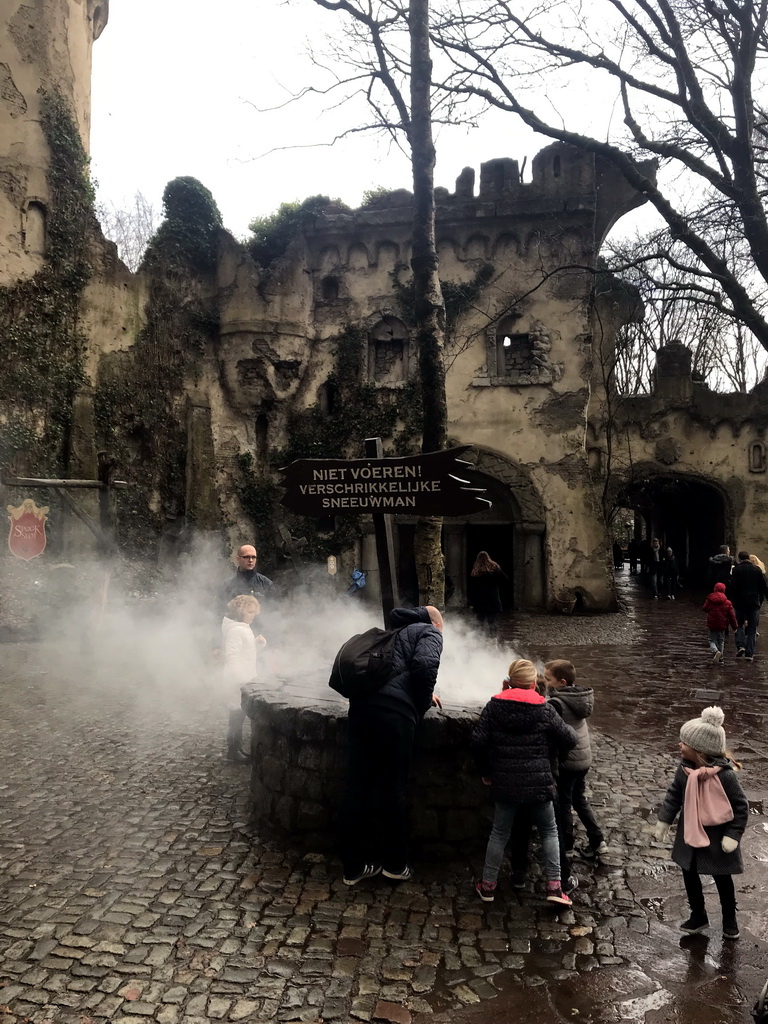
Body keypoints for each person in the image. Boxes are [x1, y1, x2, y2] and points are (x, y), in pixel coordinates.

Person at [338, 606, 444, 886]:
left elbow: (394, 670)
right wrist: (418, 705)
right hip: (394, 716)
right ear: (435, 622)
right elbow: (424, 666)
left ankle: (352, 867)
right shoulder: (430, 631)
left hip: (361, 710)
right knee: (393, 786)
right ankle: (395, 865)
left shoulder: (390, 634)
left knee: (356, 786)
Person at [471, 658, 577, 906]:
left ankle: (487, 886)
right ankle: (555, 887)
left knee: (498, 833)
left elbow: (477, 741)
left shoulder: (495, 706)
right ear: (533, 684)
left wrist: (486, 771)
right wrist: (551, 755)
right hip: (539, 782)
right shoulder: (544, 708)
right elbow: (569, 739)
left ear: (508, 681)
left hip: (505, 782)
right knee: (549, 832)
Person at [653, 706, 748, 939]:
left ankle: (729, 919)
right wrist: (664, 820)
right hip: (690, 833)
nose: (680, 745)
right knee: (689, 873)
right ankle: (698, 915)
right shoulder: (684, 770)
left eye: (684, 742)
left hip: (717, 835)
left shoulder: (725, 776)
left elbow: (740, 806)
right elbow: (674, 794)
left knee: (722, 878)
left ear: (699, 750)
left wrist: (732, 835)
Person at [544, 659, 608, 890]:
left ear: (561, 682)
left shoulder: (556, 703)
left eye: (548, 679)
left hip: (569, 762)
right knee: (579, 799)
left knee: (563, 804)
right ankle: (598, 840)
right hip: (584, 759)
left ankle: (567, 845)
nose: (545, 682)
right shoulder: (579, 697)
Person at [221, 595, 266, 762]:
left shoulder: (243, 628)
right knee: (236, 716)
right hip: (237, 681)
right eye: (250, 611)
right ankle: (233, 751)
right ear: (240, 612)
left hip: (244, 678)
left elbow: (246, 653)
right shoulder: (236, 630)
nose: (253, 615)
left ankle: (236, 749)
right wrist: (240, 680)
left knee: (240, 715)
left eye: (255, 612)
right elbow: (232, 657)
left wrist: (257, 644)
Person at [213, 544, 275, 655]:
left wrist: (272, 642)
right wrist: (216, 646)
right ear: (238, 559)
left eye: (253, 557)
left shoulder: (266, 584)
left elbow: (274, 614)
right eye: (246, 557)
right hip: (235, 639)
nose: (250, 560)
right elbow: (218, 615)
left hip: (261, 639)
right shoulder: (227, 586)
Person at [729, 549, 768, 661]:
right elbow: (763, 587)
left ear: (740, 559)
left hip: (740, 602)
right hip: (753, 603)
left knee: (739, 624)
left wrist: (732, 600)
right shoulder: (756, 570)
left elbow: (733, 587)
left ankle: (741, 646)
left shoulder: (736, 570)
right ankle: (749, 654)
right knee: (752, 628)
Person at [468, 551, 508, 641]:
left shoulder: (476, 572)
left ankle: (479, 642)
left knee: (479, 623)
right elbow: (505, 579)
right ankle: (494, 643)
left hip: (479, 601)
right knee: (492, 622)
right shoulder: (495, 570)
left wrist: (471, 602)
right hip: (492, 600)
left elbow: (472, 589)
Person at [703, 582, 738, 663]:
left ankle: (715, 651)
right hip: (722, 625)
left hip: (712, 624)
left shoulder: (710, 600)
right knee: (721, 641)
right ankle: (721, 657)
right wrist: (735, 627)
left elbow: (704, 608)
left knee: (712, 640)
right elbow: (732, 616)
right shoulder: (727, 602)